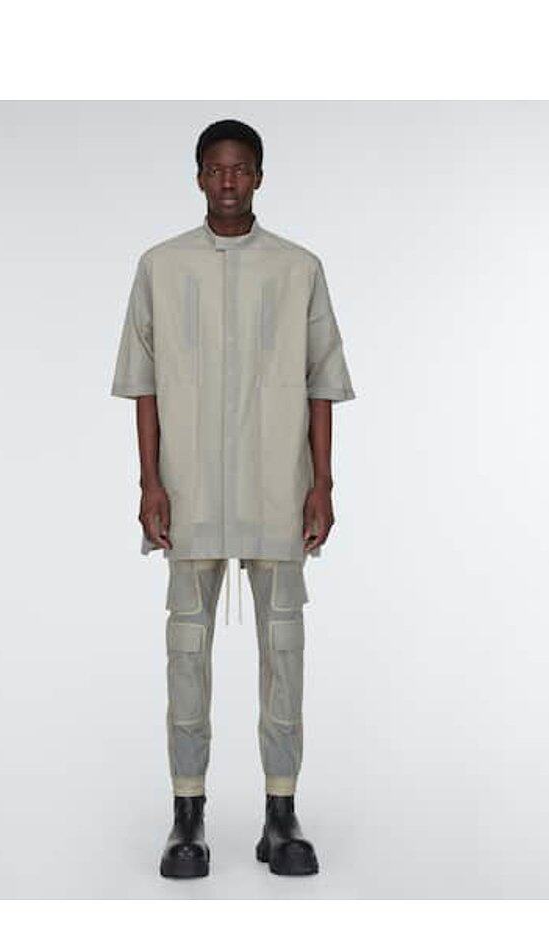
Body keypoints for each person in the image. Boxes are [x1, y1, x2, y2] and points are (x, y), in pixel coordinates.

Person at [110, 119, 356, 878]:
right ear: (197, 177)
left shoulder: (298, 268)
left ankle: (281, 814)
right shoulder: (160, 266)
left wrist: (322, 483)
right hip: (189, 493)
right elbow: (143, 384)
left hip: (277, 490)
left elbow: (321, 380)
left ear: (259, 177)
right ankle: (187, 814)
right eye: (215, 169)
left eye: (241, 168)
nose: (227, 181)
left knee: (285, 650)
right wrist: (151, 482)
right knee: (186, 653)